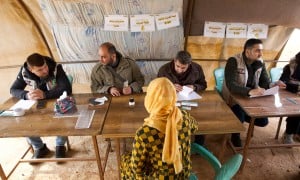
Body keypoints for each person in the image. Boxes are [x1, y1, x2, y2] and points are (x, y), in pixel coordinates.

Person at [120, 77, 198, 179]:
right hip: (183, 173)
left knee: (125, 159)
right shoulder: (183, 116)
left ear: (151, 99)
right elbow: (194, 127)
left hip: (161, 177)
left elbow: (137, 168)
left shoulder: (145, 133)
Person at [222, 38, 285, 147]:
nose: (261, 54)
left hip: (252, 98)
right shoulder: (233, 61)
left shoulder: (260, 62)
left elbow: (265, 82)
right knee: (239, 115)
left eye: (261, 51)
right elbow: (231, 85)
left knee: (263, 122)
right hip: (234, 97)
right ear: (247, 51)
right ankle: (235, 134)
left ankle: (242, 119)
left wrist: (273, 84)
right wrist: (250, 91)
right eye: (257, 51)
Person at [10, 53, 72, 160]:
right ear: (31, 70)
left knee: (63, 111)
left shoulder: (56, 68)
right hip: (37, 102)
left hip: (55, 98)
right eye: (40, 70)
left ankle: (60, 145)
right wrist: (26, 95)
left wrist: (44, 94)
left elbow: (66, 88)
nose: (45, 71)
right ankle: (39, 147)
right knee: (24, 118)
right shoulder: (24, 72)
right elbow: (13, 89)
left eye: (45, 66)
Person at [157, 50, 206, 146]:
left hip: (190, 101)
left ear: (189, 64)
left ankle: (198, 145)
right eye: (178, 66)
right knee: (170, 122)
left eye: (183, 68)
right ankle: (170, 143)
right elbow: (157, 87)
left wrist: (194, 87)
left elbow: (203, 84)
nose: (180, 70)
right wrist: (170, 86)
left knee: (199, 119)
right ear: (174, 61)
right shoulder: (164, 70)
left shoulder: (197, 69)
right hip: (170, 103)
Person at [279, 52, 300, 144]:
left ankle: (298, 133)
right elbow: (283, 82)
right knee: (296, 110)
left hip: (296, 94)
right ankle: (289, 133)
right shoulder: (289, 67)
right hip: (286, 94)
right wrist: (296, 87)